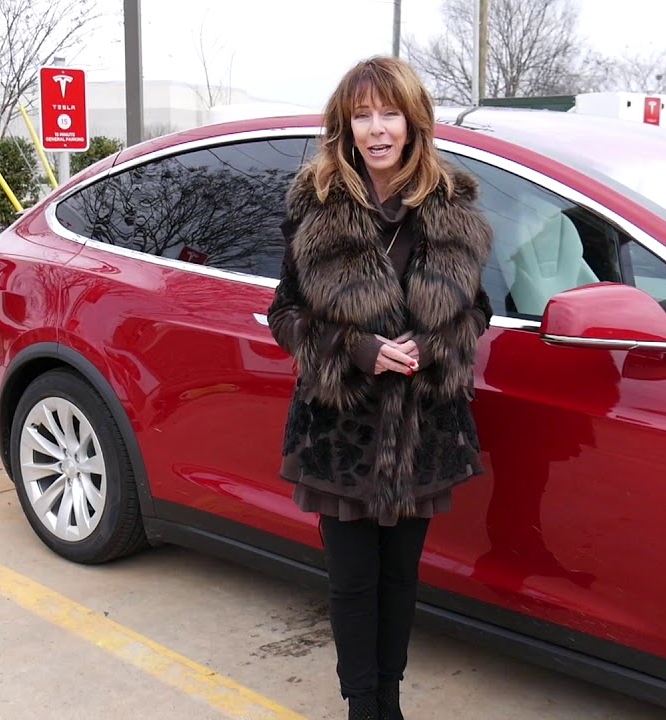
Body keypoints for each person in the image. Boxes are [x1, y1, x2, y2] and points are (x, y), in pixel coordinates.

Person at [265, 55, 494, 720]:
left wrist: (430, 346)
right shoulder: (317, 202)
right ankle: (361, 704)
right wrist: (356, 349)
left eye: (388, 112)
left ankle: (389, 699)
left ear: (413, 120)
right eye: (362, 115)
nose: (376, 128)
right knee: (353, 582)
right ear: (346, 125)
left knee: (400, 579)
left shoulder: (453, 207)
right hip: (341, 430)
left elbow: (477, 311)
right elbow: (285, 312)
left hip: (424, 431)